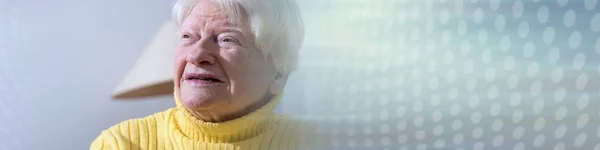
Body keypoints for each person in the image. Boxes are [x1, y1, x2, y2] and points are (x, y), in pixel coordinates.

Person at [91, 0, 306, 149]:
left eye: (227, 39)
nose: (196, 54)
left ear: (279, 74)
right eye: (188, 37)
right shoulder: (122, 144)